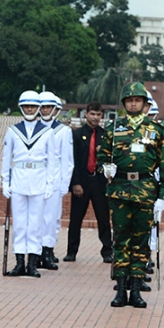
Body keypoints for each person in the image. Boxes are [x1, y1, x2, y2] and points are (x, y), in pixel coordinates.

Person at [99, 82, 164, 308]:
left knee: (141, 243)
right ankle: (121, 289)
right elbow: (102, 155)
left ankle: (137, 290)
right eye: (129, 100)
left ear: (144, 104)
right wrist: (105, 167)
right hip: (120, 189)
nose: (133, 103)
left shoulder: (157, 130)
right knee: (120, 240)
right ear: (124, 104)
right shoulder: (113, 128)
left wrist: (163, 195)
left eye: (137, 100)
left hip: (145, 191)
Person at [1, 90, 51, 278]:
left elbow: (52, 161)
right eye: (26, 106)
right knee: (20, 223)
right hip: (19, 180)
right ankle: (19, 261)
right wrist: (5, 181)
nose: (29, 109)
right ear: (21, 108)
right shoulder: (13, 131)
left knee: (36, 223)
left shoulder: (47, 132)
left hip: (39, 180)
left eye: (33, 106)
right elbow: (7, 159)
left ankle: (32, 263)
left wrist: (50, 184)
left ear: (38, 108)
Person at [66, 102, 113, 263]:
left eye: (99, 115)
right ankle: (71, 251)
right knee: (76, 219)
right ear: (86, 114)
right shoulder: (77, 135)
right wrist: (75, 183)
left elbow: (108, 159)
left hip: (100, 183)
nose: (95, 117)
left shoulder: (105, 135)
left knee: (104, 218)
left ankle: (107, 251)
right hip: (82, 182)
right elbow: (74, 161)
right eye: (92, 114)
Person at [39, 91, 71, 271]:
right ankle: (35, 251)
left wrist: (64, 183)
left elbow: (67, 160)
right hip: (36, 178)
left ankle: (48, 250)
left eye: (49, 107)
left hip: (55, 179)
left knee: (51, 218)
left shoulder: (63, 131)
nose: (45, 110)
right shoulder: (33, 128)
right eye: (42, 107)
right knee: (36, 218)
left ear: (56, 109)